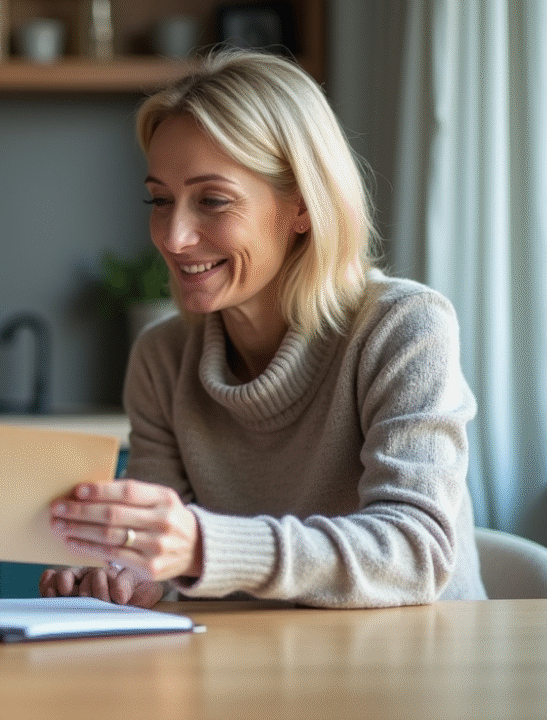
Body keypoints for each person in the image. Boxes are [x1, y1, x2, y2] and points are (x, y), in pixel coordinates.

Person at [41, 49, 486, 608]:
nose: (174, 238)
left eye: (213, 201)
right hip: (253, 657)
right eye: (160, 200)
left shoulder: (404, 329)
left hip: (419, 656)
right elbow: (161, 560)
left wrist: (203, 547)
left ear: (301, 207)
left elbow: (415, 553)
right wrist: (126, 571)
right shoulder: (162, 358)